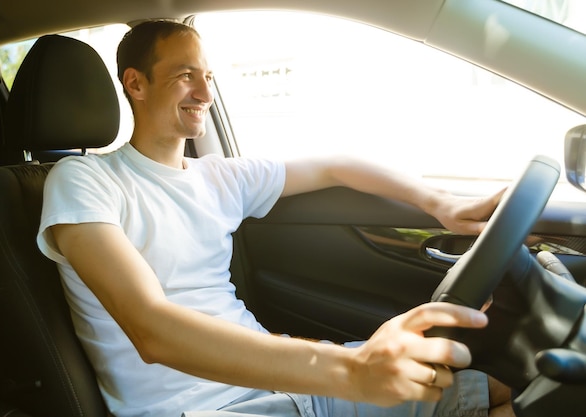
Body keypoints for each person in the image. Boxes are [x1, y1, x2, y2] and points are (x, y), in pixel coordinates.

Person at [37, 20, 515, 417]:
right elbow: (152, 330)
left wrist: (440, 203)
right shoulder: (83, 180)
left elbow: (334, 165)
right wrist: (350, 370)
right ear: (135, 83)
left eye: (209, 76)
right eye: (186, 75)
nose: (205, 92)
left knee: (489, 392)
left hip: (283, 386)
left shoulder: (219, 177)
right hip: (195, 408)